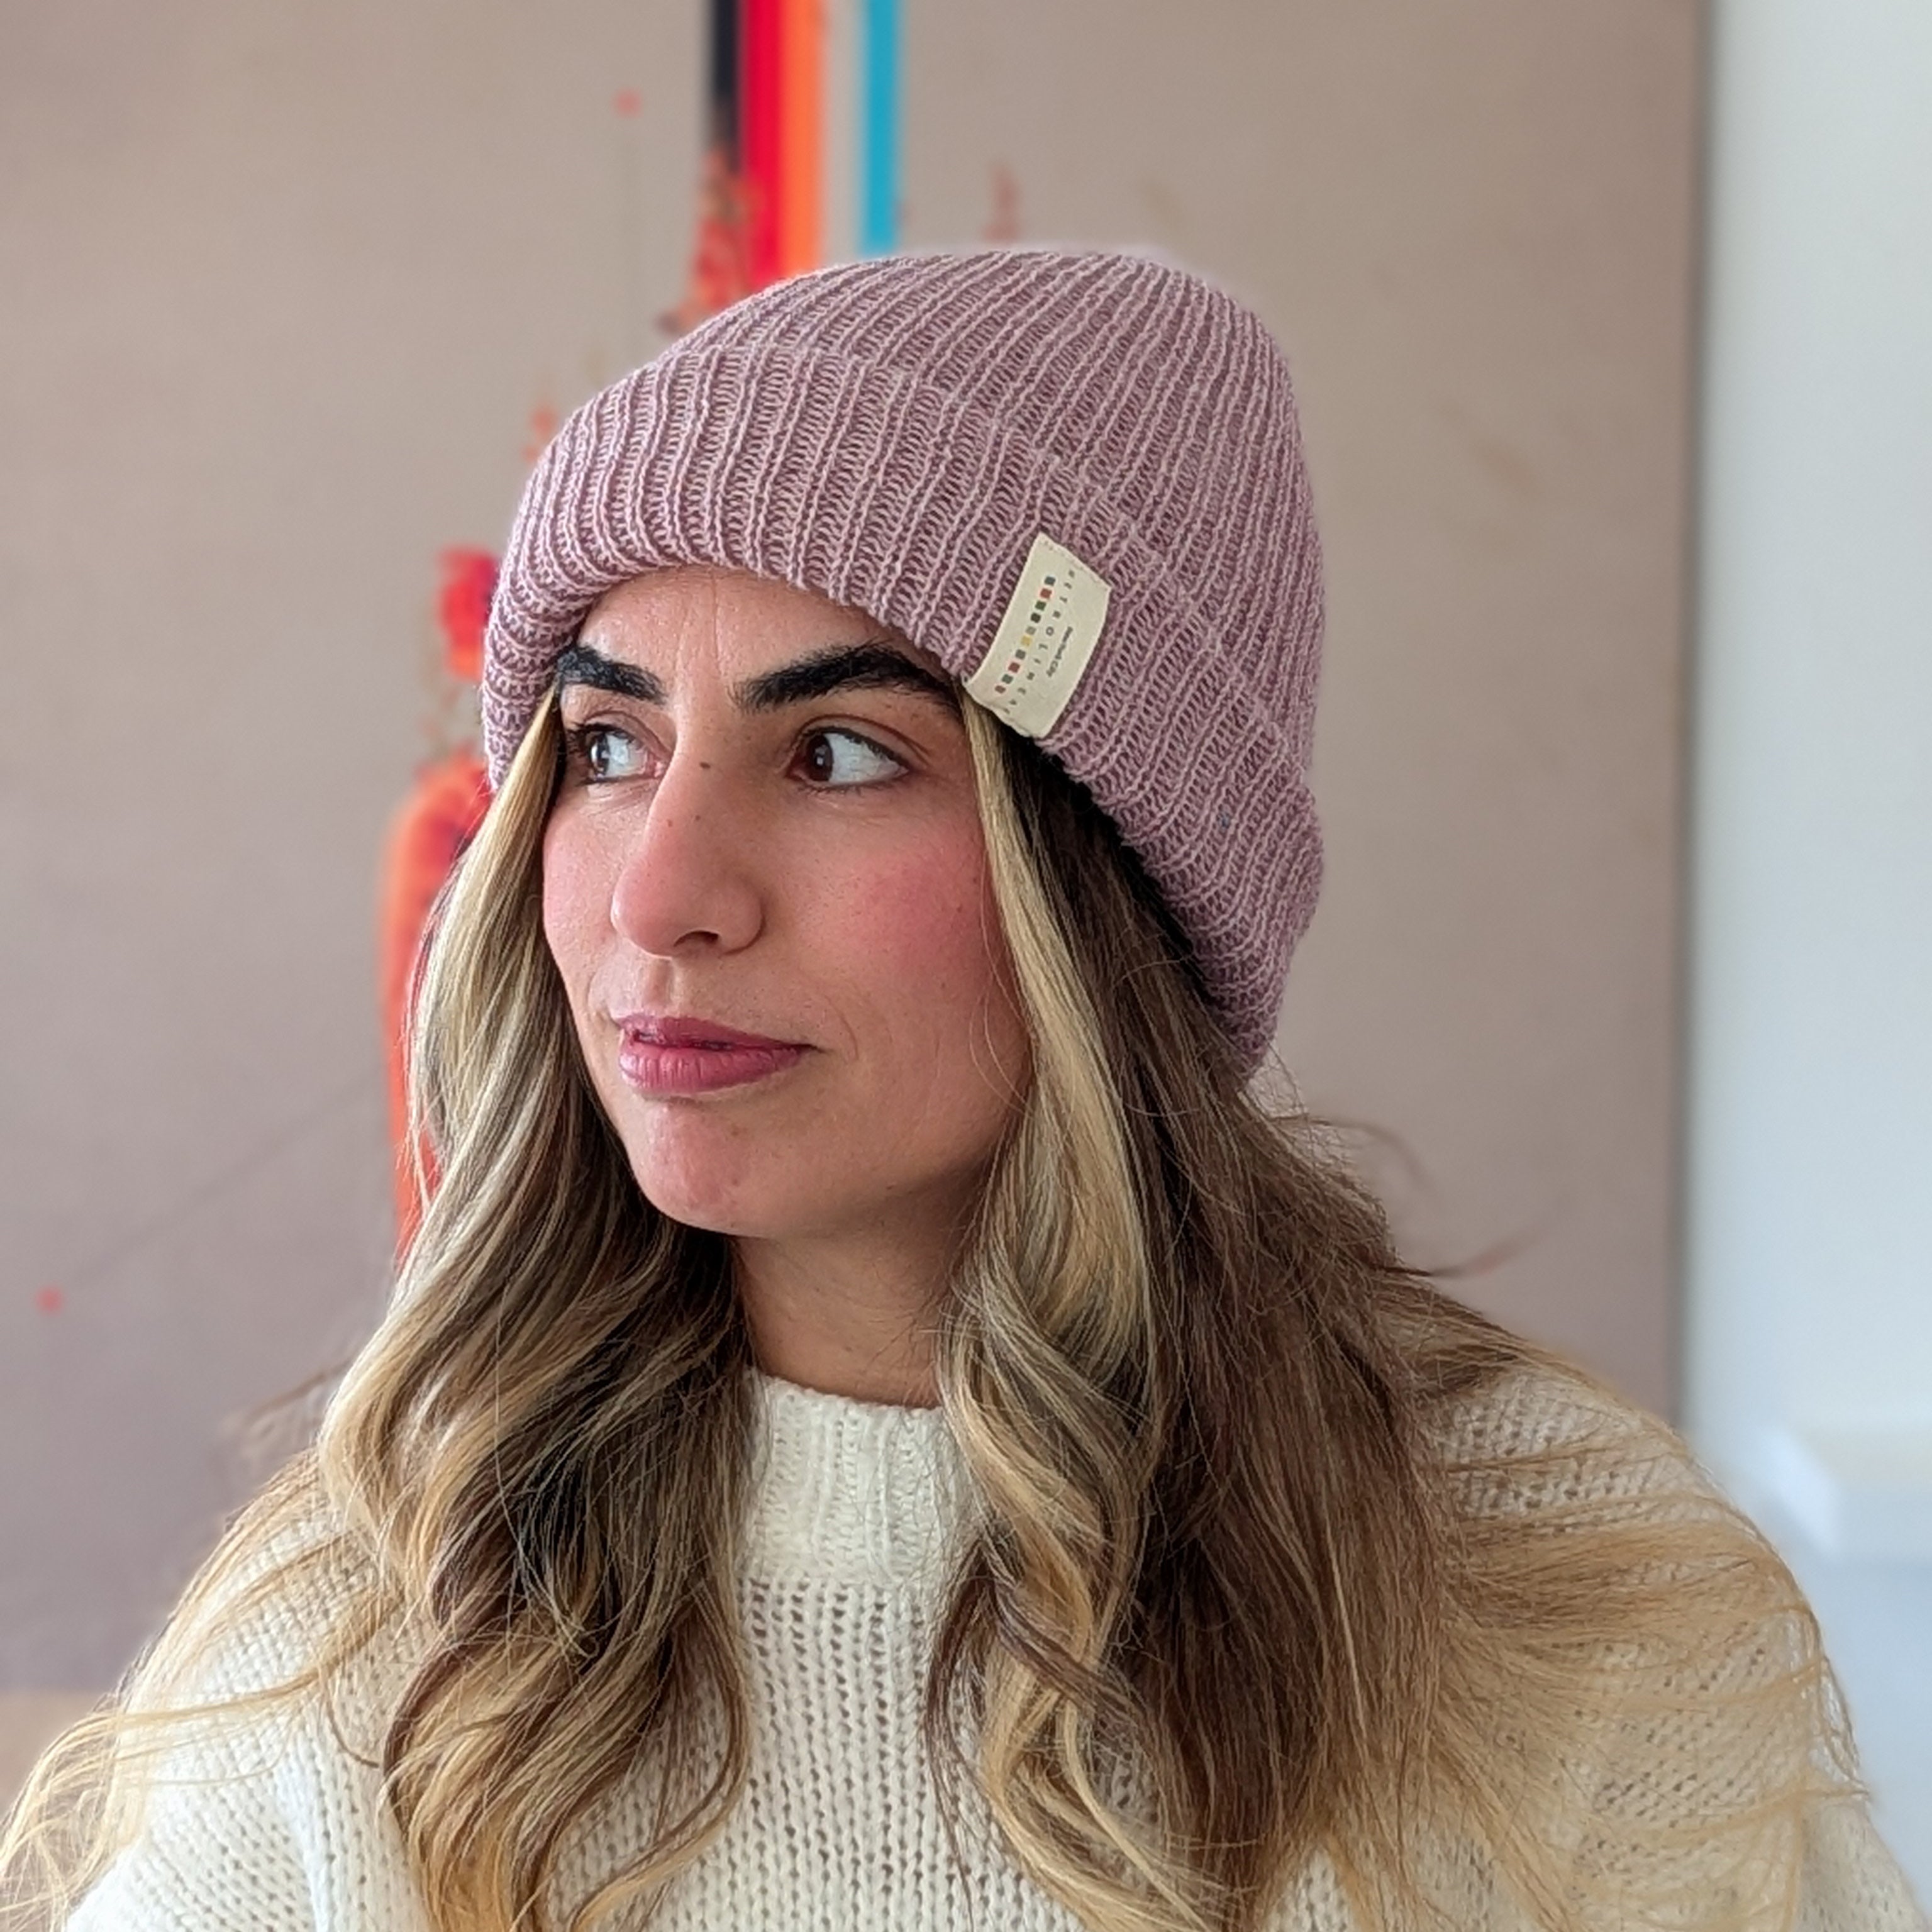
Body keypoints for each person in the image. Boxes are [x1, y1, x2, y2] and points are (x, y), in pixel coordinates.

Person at [4, 247, 1923, 1932]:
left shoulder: (1576, 1607)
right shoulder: (358, 1654)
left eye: (840, 754)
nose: (663, 896)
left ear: (1110, 886)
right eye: (606, 745)